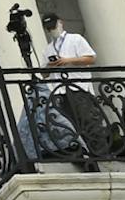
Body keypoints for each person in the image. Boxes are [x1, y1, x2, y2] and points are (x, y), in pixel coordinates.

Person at [41, 11, 116, 164]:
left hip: (79, 88)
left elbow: (90, 58)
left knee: (89, 123)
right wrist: (51, 65)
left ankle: (102, 157)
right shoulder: (48, 49)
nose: (51, 30)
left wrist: (68, 61)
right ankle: (82, 157)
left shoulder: (75, 39)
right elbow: (44, 74)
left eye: (53, 26)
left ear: (60, 23)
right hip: (60, 91)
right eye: (48, 28)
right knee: (69, 126)